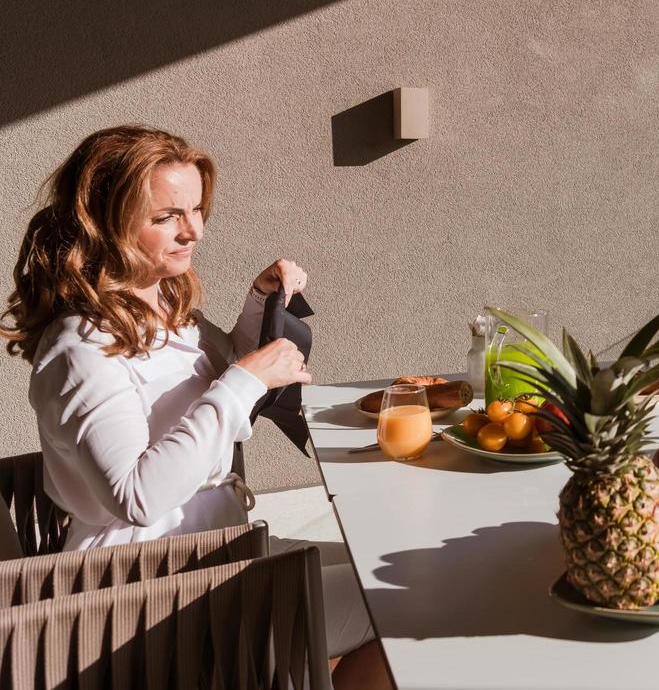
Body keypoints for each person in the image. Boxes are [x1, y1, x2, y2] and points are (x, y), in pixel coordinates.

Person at [2, 126, 389, 689]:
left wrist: (260, 305)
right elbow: (138, 496)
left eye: (197, 210)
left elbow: (216, 374)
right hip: (150, 592)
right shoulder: (80, 350)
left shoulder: (158, 299)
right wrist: (242, 381)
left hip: (218, 549)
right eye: (166, 218)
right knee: (405, 605)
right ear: (103, 221)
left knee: (386, 579)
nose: (194, 231)